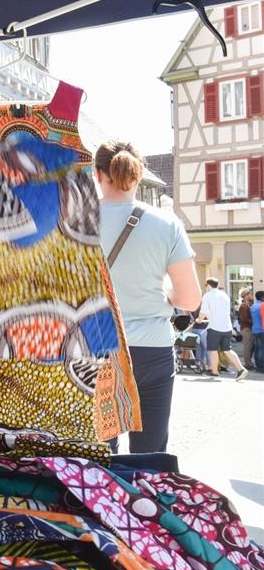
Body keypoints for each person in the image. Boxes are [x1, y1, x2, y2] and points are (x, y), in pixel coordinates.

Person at [95, 140, 201, 453]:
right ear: (138, 176)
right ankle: (144, 502)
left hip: (95, 347)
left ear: (97, 174)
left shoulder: (74, 221)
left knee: (98, 454)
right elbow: (190, 299)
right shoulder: (167, 223)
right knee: (150, 455)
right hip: (152, 348)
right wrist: (166, 294)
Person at [198, 277, 248, 381]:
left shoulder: (207, 296)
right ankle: (241, 369)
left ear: (208, 285)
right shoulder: (224, 295)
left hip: (214, 327)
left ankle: (214, 372)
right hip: (227, 327)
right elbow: (218, 311)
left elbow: (203, 312)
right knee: (227, 349)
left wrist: (199, 319)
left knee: (213, 350)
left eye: (206, 285)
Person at [238, 288, 255, 370]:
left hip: (248, 328)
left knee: (250, 347)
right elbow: (244, 319)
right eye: (250, 294)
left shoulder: (248, 305)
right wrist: (254, 321)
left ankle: (249, 363)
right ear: (246, 296)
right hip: (246, 329)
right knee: (247, 347)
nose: (252, 295)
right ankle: (247, 364)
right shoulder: (244, 306)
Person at [252, 291, 264, 372]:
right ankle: (261, 366)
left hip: (255, 329)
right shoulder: (261, 306)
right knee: (261, 349)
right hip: (262, 329)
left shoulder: (253, 306)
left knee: (257, 348)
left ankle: (258, 365)